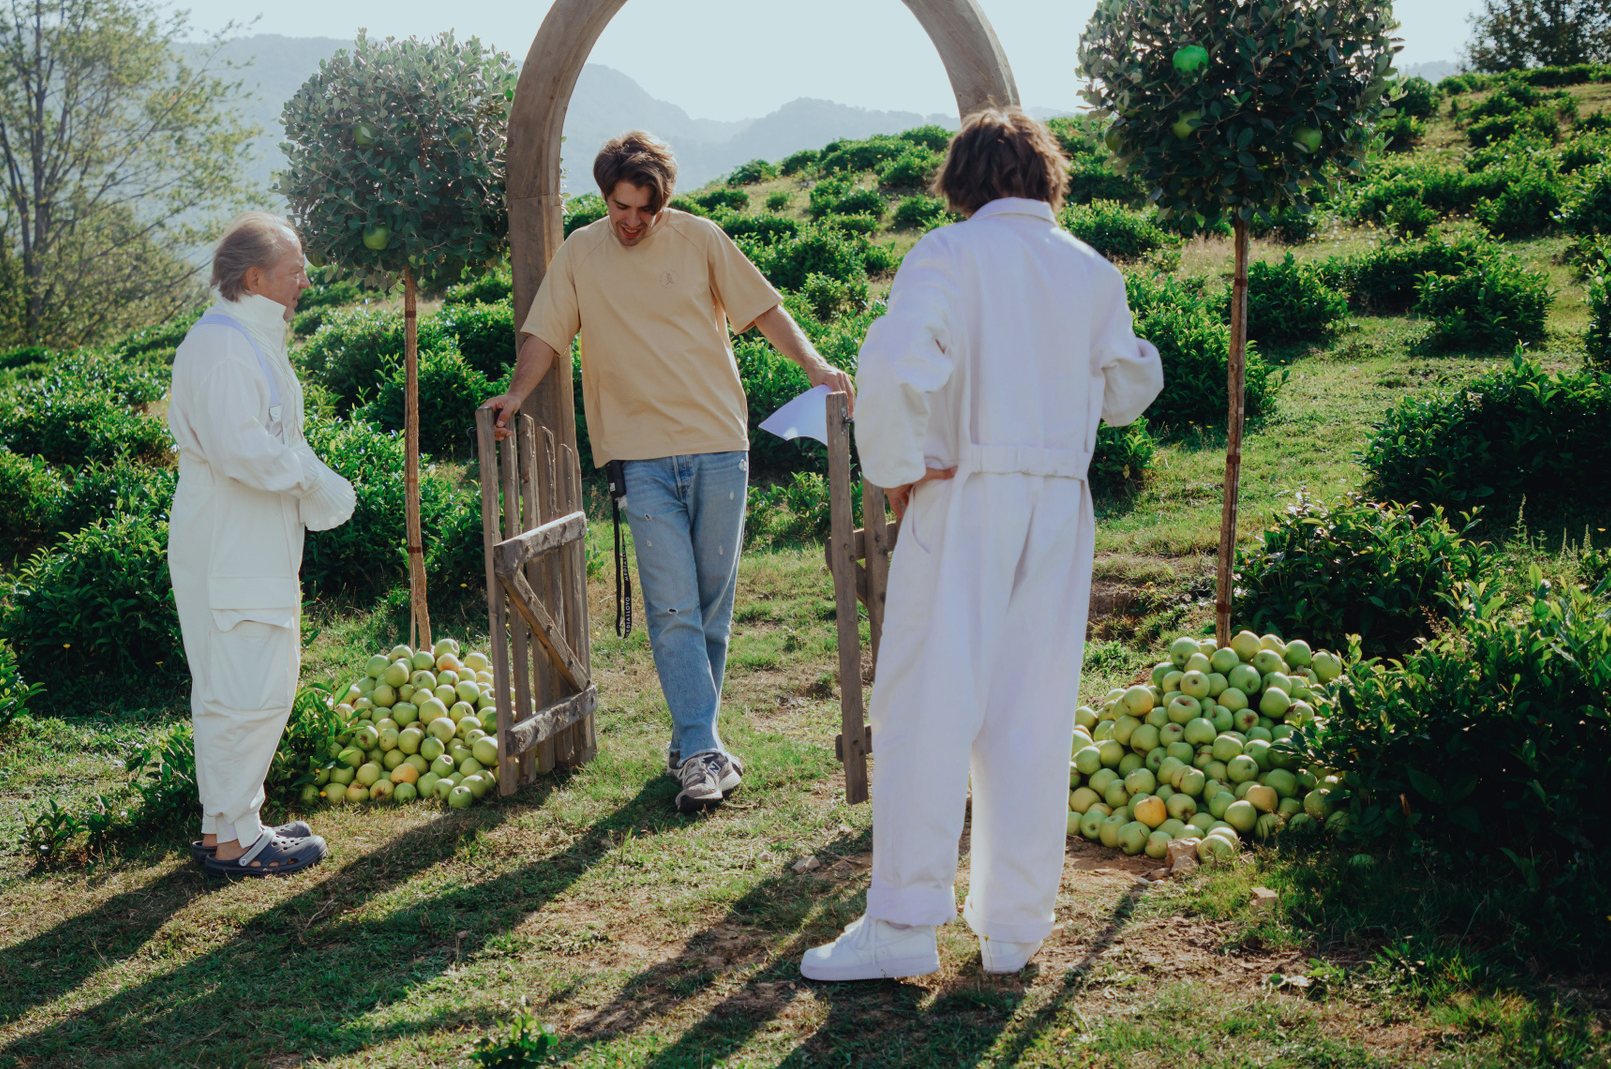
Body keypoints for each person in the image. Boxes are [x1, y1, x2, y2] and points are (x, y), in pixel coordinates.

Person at [800, 109, 1164, 981]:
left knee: (928, 705)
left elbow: (894, 361)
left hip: (965, 492)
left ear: (962, 182)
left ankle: (903, 921)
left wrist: (896, 466)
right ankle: (1013, 927)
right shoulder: (1092, 270)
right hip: (1059, 501)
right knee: (1033, 711)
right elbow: (1129, 390)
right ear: (1046, 178)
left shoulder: (949, 254)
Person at [481, 131, 855, 812]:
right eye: (620, 207)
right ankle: (704, 752)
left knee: (712, 606)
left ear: (663, 203)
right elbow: (546, 334)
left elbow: (764, 310)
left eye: (645, 210)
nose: (631, 221)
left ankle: (691, 743)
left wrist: (814, 365)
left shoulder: (701, 238)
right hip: (638, 453)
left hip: (719, 442)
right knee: (673, 605)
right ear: (605, 197)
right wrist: (515, 392)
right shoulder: (580, 253)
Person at [167, 211, 357, 878]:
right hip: (233, 539)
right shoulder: (222, 348)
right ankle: (238, 843)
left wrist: (310, 478)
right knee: (245, 686)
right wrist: (315, 481)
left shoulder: (243, 338)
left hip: (245, 535)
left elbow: (273, 437)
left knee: (239, 683)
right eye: (294, 270)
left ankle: (228, 827)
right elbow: (242, 449)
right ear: (254, 279)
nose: (304, 281)